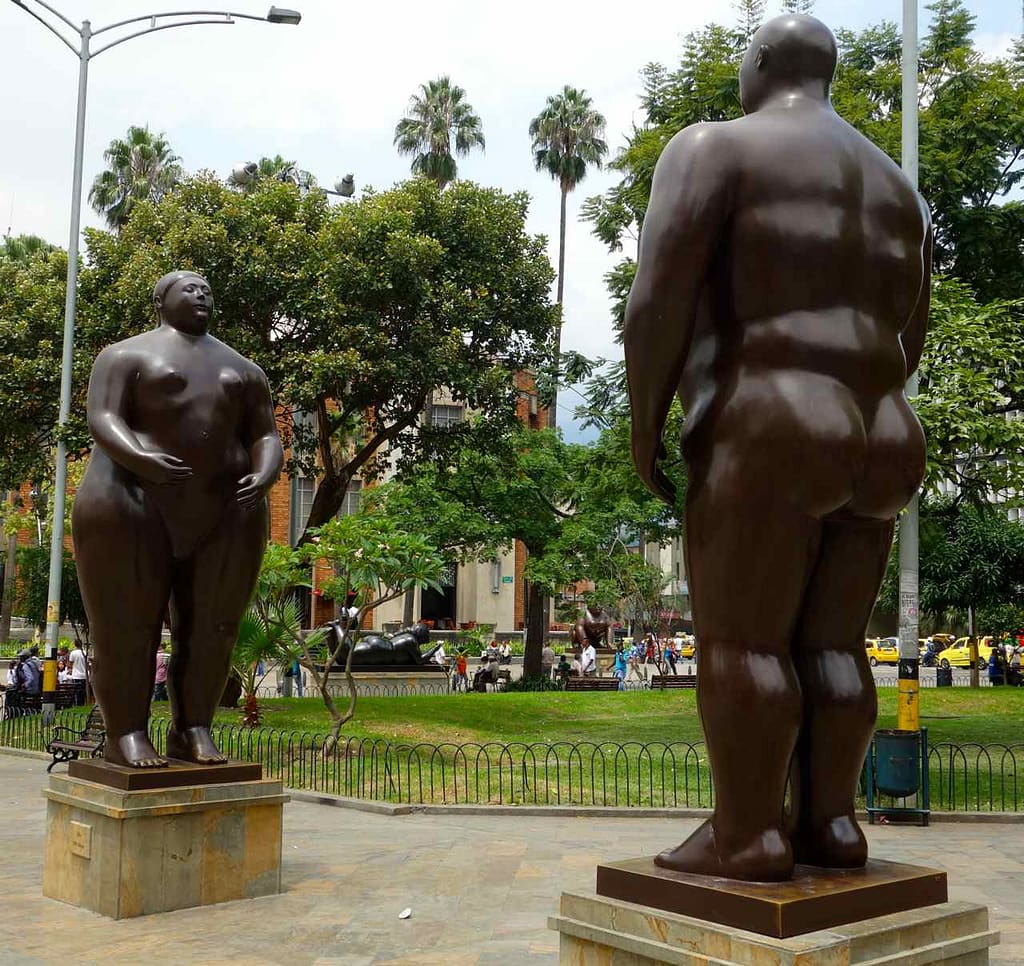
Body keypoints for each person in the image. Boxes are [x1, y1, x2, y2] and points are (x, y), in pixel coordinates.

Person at [625, 14, 931, 880]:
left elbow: (658, 299)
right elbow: (912, 334)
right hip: (884, 429)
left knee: (745, 643)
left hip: (773, 413)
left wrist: (647, 419)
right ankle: (832, 827)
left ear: (757, 65)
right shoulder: (896, 188)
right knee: (835, 648)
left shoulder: (712, 148)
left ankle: (749, 834)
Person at [71, 271, 284, 768]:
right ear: (160, 299)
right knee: (127, 627)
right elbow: (103, 417)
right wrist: (141, 459)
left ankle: (193, 728)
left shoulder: (244, 369)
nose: (201, 293)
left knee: (214, 627)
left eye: (207, 287)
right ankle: (126, 732)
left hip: (225, 510)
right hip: (130, 500)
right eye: (187, 287)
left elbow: (265, 434)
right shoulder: (125, 356)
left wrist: (266, 473)